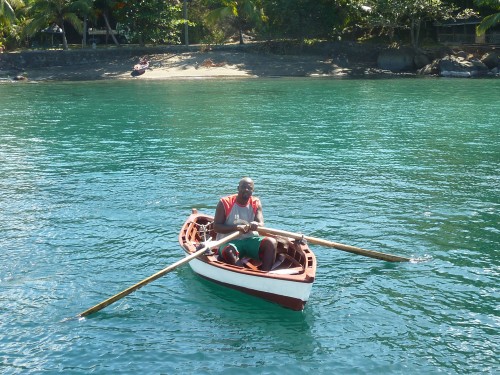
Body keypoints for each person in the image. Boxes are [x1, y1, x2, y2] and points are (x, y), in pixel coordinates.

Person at [213, 177, 277, 271]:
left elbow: (261, 223)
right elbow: (216, 227)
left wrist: (257, 224)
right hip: (229, 241)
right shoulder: (224, 202)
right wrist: (237, 227)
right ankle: (244, 274)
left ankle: (265, 274)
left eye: (249, 188)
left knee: (271, 243)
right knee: (229, 251)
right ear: (238, 188)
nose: (246, 190)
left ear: (252, 190)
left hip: (250, 239)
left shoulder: (256, 202)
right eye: (243, 187)